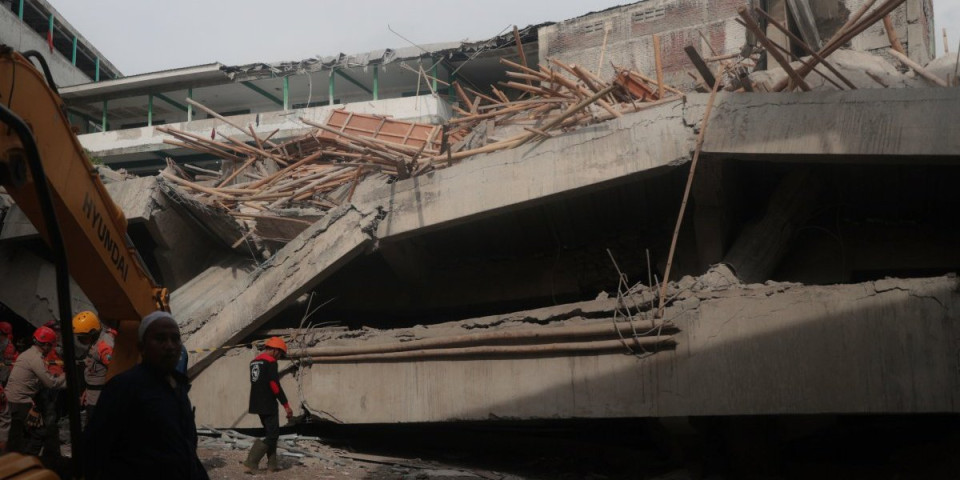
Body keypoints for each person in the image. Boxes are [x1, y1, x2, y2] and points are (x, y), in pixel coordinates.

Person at [83, 310, 208, 480]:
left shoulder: (177, 386)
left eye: (175, 338)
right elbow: (95, 448)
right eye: (160, 339)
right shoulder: (124, 387)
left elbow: (186, 450)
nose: (170, 346)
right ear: (142, 348)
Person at [4, 326, 65, 456]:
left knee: (21, 436)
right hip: (21, 402)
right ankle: (30, 461)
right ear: (47, 345)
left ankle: (20, 459)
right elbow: (51, 383)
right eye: (51, 345)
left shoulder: (27, 354)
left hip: (12, 401)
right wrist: (66, 376)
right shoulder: (36, 358)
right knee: (39, 433)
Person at [242, 337, 293, 473]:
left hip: (256, 403)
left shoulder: (254, 362)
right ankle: (251, 463)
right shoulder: (270, 362)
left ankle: (272, 465)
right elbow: (274, 385)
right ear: (275, 350)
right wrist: (286, 405)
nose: (280, 357)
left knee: (271, 433)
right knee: (273, 435)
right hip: (268, 403)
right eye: (280, 354)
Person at [72, 311, 115, 415]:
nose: (79, 339)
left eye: (82, 337)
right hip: (92, 396)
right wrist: (88, 391)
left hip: (99, 401)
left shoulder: (103, 348)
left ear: (92, 333)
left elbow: (115, 372)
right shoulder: (96, 342)